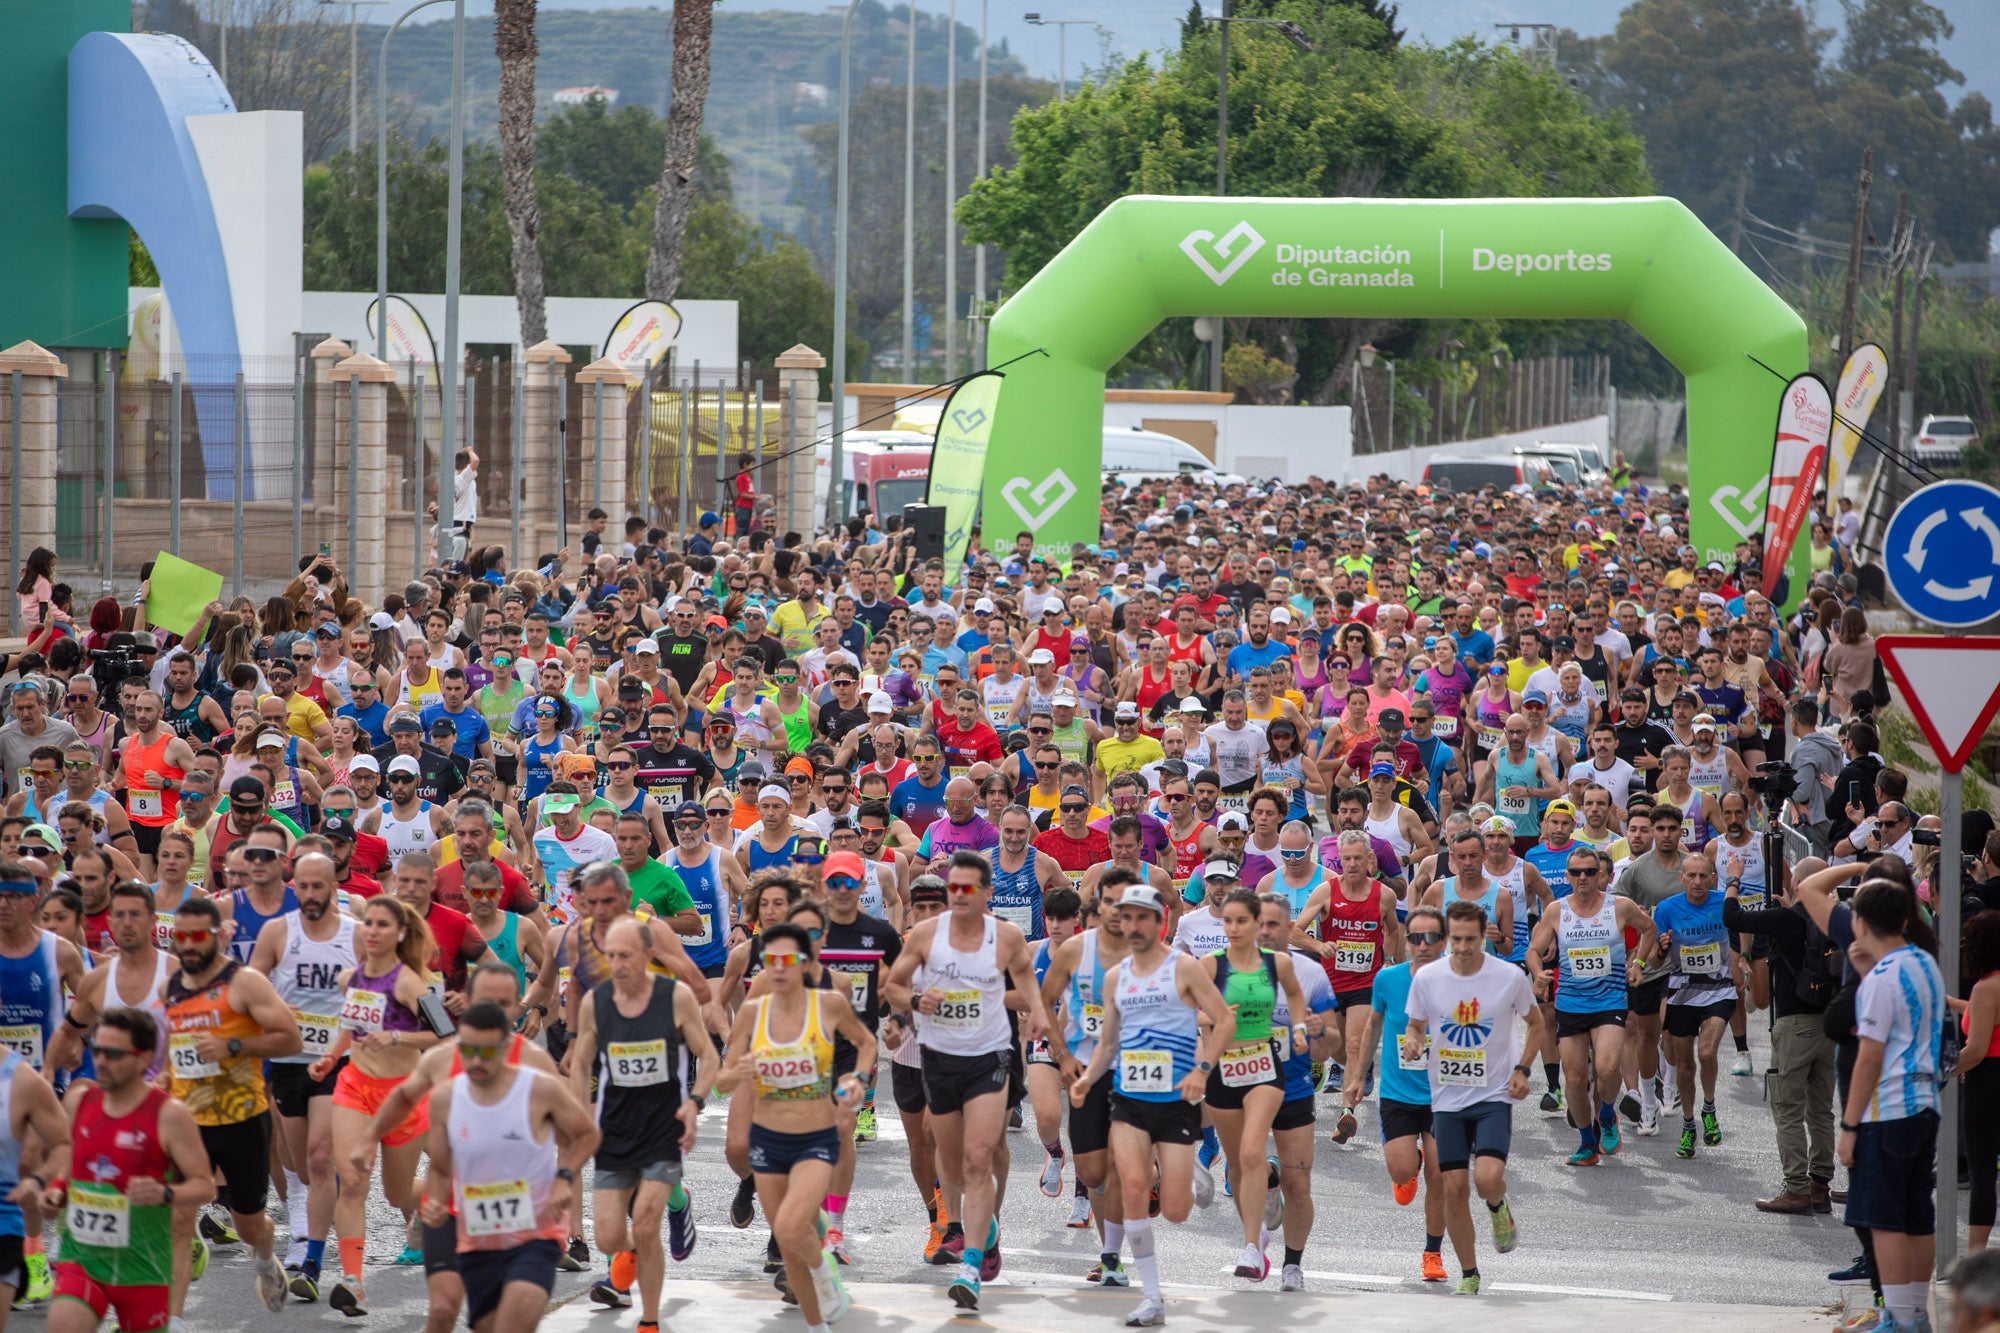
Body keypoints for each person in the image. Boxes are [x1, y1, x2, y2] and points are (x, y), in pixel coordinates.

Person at [881, 849, 1054, 1311]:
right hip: (939, 1057)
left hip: (989, 1056)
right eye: (952, 887)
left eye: (967, 889)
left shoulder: (1007, 937)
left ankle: (971, 1268)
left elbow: (1028, 983)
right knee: (952, 1164)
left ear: (986, 893)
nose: (957, 895)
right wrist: (916, 1003)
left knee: (979, 1159)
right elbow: (893, 986)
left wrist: (1036, 1014)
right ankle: (987, 1230)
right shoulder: (924, 935)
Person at [1066, 885, 1234, 1327]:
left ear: (1161, 921)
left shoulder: (1184, 967)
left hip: (1176, 1101)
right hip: (1129, 1099)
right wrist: (1087, 1077)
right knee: (1134, 1188)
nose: (1134, 926)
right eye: (1127, 917)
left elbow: (1225, 1018)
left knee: (1176, 1210)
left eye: (1144, 918)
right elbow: (1108, 1042)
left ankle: (1188, 1168)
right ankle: (1152, 1297)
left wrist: (1202, 1069)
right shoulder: (1115, 977)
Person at [717, 921, 874, 1328]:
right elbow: (721, 1081)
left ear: (805, 963)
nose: (779, 968)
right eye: (771, 960)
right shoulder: (752, 1012)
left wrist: (857, 1079)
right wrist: (739, 1071)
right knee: (788, 1246)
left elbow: (866, 1044)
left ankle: (824, 1272)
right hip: (768, 1141)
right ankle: (816, 1324)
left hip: (815, 1138)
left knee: (790, 1224)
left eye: (789, 960)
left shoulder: (829, 1005)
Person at [567, 916, 718, 1327]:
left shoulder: (675, 997)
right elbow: (580, 1066)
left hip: (662, 1128)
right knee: (607, 1237)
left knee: (647, 1222)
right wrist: (580, 1116)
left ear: (649, 956)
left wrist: (694, 1104)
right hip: (615, 1131)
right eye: (610, 956)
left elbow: (709, 1056)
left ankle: (648, 1320)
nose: (616, 965)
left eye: (625, 956)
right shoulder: (595, 1003)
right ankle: (645, 1237)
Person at [418, 1001, 601, 1333]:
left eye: (485, 1052)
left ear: (506, 1048)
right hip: (479, 1236)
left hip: (536, 1232)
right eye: (468, 1051)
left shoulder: (539, 1087)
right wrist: (434, 1198)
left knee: (514, 1321)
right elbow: (441, 1166)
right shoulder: (447, 1097)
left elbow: (587, 1133)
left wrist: (564, 1175)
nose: (475, 1061)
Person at [159, 893, 301, 1314]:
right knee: (180, 1221)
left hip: (242, 1120)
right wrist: (163, 1078)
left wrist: (233, 1045)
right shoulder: (171, 986)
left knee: (249, 1225)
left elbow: (290, 1038)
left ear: (218, 937)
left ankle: (264, 1258)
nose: (187, 945)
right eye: (179, 937)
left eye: (197, 936)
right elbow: (176, 1050)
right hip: (188, 1121)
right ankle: (174, 1321)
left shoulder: (244, 982)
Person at [45, 1008, 222, 1333]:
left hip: (144, 1268)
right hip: (82, 1258)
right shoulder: (80, 1101)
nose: (100, 1061)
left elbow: (205, 1187)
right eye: (96, 1050)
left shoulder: (169, 1115)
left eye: (113, 1054)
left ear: (143, 1059)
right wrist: (55, 1188)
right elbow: (67, 1161)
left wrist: (165, 1192)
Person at [1399, 899, 1543, 1295]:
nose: (1462, 948)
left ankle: (1499, 1208)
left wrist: (1523, 1068)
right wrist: (1413, 1042)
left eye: (1471, 940)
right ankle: (1469, 1273)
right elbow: (1414, 1025)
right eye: (1456, 940)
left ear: (1485, 937)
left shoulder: (1508, 977)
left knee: (1488, 1178)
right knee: (1454, 1188)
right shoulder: (1429, 978)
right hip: (1446, 1099)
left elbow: (1536, 1023)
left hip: (1493, 1093)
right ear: (1447, 938)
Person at [313, 894, 444, 1314]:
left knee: (396, 1193)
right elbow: (351, 1028)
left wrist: (397, 1036)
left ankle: (435, 1200)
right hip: (355, 1087)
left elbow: (443, 1032)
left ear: (401, 933)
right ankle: (352, 1281)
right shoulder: (349, 978)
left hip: (403, 1095)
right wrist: (331, 1058)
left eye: (382, 925)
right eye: (368, 923)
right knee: (351, 1178)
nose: (372, 931)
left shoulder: (409, 982)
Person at [245, 851, 359, 1299]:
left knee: (318, 1157)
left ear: (333, 887)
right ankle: (324, 1206)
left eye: (319, 887)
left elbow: (380, 988)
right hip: (290, 1061)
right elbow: (251, 987)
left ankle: (311, 1263)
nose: (310, 896)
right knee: (304, 1169)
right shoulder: (279, 932)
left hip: (337, 1062)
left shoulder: (355, 934)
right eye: (303, 887)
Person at [1839, 879, 1946, 1333]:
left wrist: (1848, 1126)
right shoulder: (1924, 963)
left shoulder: (1881, 980)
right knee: (1917, 1212)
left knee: (1885, 1218)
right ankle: (1916, 1313)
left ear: (1859, 923)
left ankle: (1897, 1319)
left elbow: (1870, 1055)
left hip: (1886, 1111)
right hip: (1925, 1103)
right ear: (1905, 920)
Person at [1195, 888, 1308, 1282]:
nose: (1234, 928)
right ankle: (1255, 1237)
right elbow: (1189, 1010)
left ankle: (1248, 1249)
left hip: (1263, 1066)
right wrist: (1208, 1016)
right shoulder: (1210, 965)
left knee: (1250, 1150)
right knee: (1238, 1165)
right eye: (1228, 921)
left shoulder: (1277, 963)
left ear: (1258, 922)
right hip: (1224, 1071)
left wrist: (1297, 1028)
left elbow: (1294, 994)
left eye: (1242, 920)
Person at [1524, 845, 1655, 1166]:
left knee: (1607, 1068)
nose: (1583, 878)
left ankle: (1607, 1114)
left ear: (1601, 875)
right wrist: (1538, 972)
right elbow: (1533, 949)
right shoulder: (1556, 910)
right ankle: (1586, 1143)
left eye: (1589, 872)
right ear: (1567, 876)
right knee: (1575, 1080)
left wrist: (1638, 962)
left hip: (1610, 1000)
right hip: (1571, 1003)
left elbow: (1649, 929)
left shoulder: (1619, 907)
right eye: (1576, 872)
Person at [1348, 902, 1448, 1283]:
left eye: (1431, 938)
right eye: (1416, 938)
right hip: (1398, 1093)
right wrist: (1359, 1077)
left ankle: (1432, 1253)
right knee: (1402, 1170)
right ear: (1406, 941)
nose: (1423, 945)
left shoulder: (1458, 981)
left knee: (1441, 1175)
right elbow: (1372, 1027)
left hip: (1444, 1096)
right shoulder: (1387, 980)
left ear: (1443, 942)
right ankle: (1412, 1162)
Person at [1649, 851, 1738, 1160]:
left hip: (1719, 990)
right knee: (1684, 1067)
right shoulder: (1666, 909)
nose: (1698, 881)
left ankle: (1709, 1108)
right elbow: (1653, 957)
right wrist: (1660, 950)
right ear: (1682, 878)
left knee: (1707, 1052)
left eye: (1704, 876)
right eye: (1692, 876)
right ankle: (1688, 1125)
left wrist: (1744, 963)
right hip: (1681, 992)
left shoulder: (1722, 903)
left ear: (1713, 878)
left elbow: (1741, 930)